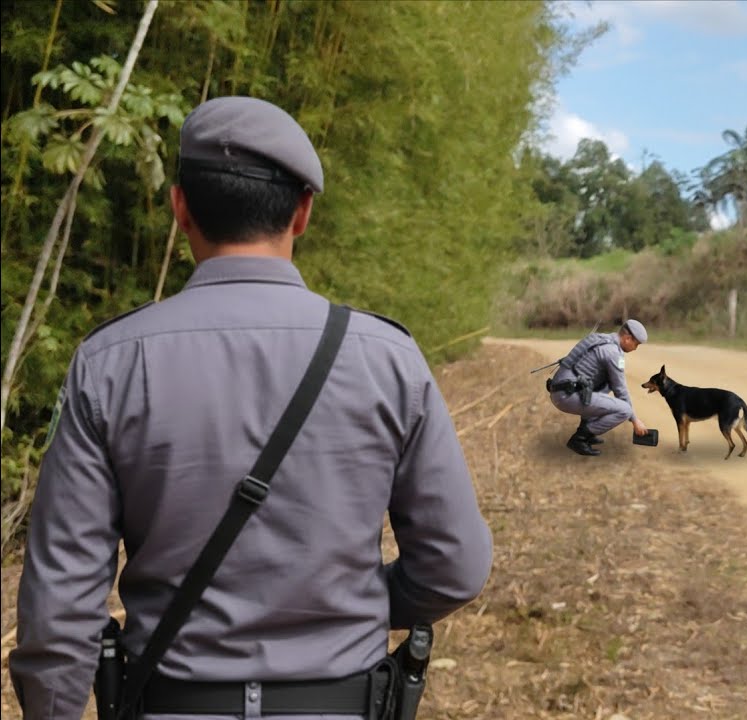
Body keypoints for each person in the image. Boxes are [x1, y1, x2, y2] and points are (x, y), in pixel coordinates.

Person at [9, 96, 493, 717]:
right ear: (303, 212)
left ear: (180, 208)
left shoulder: (110, 363)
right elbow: (455, 566)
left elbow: (59, 606)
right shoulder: (387, 359)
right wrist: (360, 601)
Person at [546, 320, 650, 456]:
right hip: (566, 395)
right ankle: (580, 439)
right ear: (627, 339)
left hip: (561, 389)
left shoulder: (602, 339)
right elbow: (621, 390)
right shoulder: (613, 353)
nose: (636, 348)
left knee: (607, 382)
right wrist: (635, 420)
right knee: (625, 410)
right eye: (636, 344)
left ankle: (588, 431)